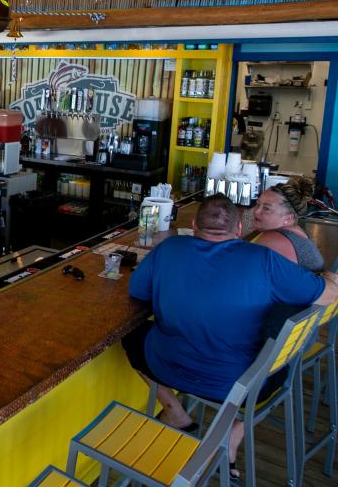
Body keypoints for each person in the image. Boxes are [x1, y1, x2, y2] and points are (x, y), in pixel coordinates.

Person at [123, 195, 337, 473]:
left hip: (169, 368)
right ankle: (226, 430)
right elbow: (330, 295)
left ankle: (173, 408)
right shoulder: (264, 259)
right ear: (238, 231)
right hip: (244, 388)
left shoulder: (170, 248)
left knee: (131, 336)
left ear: (193, 226)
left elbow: (138, 292)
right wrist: (329, 278)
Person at [252, 176, 324, 271]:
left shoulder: (272, 240)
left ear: (288, 217)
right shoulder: (297, 232)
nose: (256, 211)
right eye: (258, 204)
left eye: (266, 209)